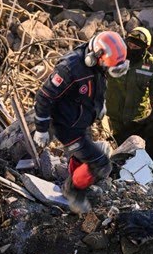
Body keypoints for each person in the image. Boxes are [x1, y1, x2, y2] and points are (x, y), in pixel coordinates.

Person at [33, 31, 130, 213]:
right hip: (66, 126)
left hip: (81, 119)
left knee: (82, 157)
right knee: (101, 164)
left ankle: (75, 177)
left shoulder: (97, 67)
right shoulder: (70, 69)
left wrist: (100, 105)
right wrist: (41, 128)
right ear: (95, 58)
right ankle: (73, 191)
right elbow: (44, 96)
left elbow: (100, 83)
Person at [105, 26, 153, 144]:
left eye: (136, 47)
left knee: (133, 146)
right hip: (113, 113)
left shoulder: (151, 65)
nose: (131, 48)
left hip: (136, 117)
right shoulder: (115, 57)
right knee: (116, 143)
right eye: (130, 45)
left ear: (145, 48)